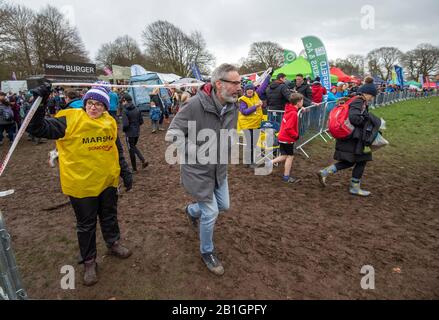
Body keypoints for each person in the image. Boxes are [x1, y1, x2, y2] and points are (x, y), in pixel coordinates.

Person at [27, 82, 133, 286]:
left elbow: (116, 147)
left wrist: (125, 171)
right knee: (86, 225)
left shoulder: (109, 121)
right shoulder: (70, 120)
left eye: (99, 104)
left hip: (108, 181)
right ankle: (89, 261)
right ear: (84, 103)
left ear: (105, 107)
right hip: (82, 186)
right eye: (90, 103)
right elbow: (37, 128)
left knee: (110, 216)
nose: (94, 107)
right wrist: (40, 102)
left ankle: (113, 243)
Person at [165, 64, 240, 276]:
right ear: (219, 84)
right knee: (211, 212)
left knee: (224, 205)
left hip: (219, 168)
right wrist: (198, 152)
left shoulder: (232, 105)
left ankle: (191, 211)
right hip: (198, 171)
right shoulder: (193, 105)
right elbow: (172, 134)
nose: (239, 87)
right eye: (235, 83)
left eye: (239, 82)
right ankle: (207, 252)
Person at [317, 81, 379, 197]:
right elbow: (354, 118)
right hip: (353, 138)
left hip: (348, 136)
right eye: (371, 95)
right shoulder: (359, 101)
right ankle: (354, 187)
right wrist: (368, 120)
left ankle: (325, 172)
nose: (371, 98)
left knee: (349, 161)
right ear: (367, 93)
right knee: (362, 160)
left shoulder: (355, 99)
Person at [269, 93, 303, 183]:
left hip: (282, 137)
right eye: (302, 101)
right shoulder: (293, 113)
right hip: (287, 139)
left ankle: (269, 163)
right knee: (290, 157)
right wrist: (295, 136)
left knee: (284, 155)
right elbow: (289, 128)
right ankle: (286, 177)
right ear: (298, 102)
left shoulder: (289, 109)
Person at [238, 78, 269, 168]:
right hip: (247, 125)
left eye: (251, 89)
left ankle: (250, 161)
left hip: (256, 124)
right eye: (248, 90)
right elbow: (245, 112)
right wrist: (255, 106)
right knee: (250, 144)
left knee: (253, 143)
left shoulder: (256, 95)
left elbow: (262, 87)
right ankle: (249, 162)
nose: (250, 91)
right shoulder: (242, 100)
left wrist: (269, 76)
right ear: (245, 91)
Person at [121, 93, 148, 172]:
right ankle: (143, 160)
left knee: (131, 150)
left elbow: (125, 124)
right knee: (133, 147)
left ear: (125, 100)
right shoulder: (137, 108)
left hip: (129, 133)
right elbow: (141, 121)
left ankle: (134, 169)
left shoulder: (125, 110)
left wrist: (124, 129)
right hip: (137, 132)